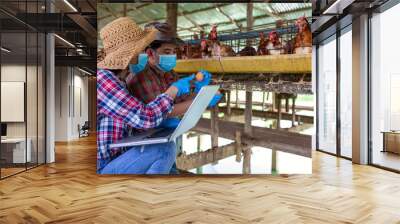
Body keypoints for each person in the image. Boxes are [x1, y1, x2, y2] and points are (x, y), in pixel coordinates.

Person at [97, 17, 196, 174]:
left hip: (119, 155)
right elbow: (145, 117)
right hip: (105, 163)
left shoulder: (119, 81)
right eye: (140, 51)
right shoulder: (104, 80)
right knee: (164, 149)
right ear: (128, 55)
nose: (144, 54)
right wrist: (173, 91)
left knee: (170, 166)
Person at [124, 22, 221, 173]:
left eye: (173, 51)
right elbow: (162, 112)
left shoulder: (170, 73)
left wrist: (201, 91)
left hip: (164, 136)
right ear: (150, 53)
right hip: (144, 144)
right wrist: (201, 100)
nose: (172, 56)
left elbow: (182, 100)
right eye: (167, 51)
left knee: (169, 165)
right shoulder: (140, 76)